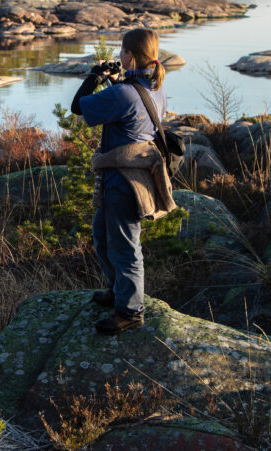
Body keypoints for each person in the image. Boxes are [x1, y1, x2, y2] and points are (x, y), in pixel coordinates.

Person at [70, 28, 174, 335]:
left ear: (130, 54)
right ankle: (117, 290)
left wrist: (93, 76)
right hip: (134, 175)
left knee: (125, 246)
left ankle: (130, 311)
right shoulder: (153, 87)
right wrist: (115, 79)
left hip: (122, 181)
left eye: (122, 50)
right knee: (103, 233)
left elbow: (79, 106)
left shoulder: (123, 94)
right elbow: (132, 107)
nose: (118, 54)